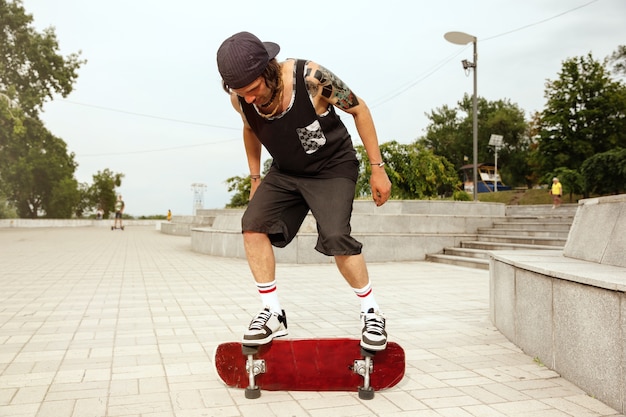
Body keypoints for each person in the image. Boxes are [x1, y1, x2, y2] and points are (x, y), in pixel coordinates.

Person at [216, 32, 392, 351]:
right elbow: (248, 128)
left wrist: (377, 167)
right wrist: (255, 178)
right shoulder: (241, 98)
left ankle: (372, 312)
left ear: (268, 70)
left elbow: (360, 109)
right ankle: (272, 313)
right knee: (252, 225)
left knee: (337, 237)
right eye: (243, 94)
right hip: (286, 170)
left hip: (332, 168)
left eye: (254, 90)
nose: (250, 99)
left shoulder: (312, 79)